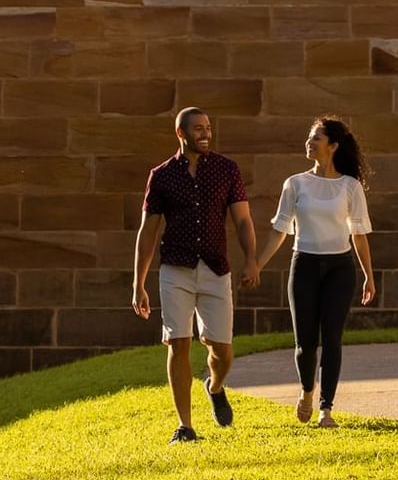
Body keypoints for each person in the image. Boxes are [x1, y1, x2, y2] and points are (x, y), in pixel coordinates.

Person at [133, 107, 259, 443]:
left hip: (216, 268)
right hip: (176, 268)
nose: (205, 134)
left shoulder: (226, 170)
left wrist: (252, 260)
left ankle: (215, 386)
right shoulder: (160, 176)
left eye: (208, 128)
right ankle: (185, 426)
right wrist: (139, 283)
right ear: (181, 133)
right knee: (178, 342)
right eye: (198, 129)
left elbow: (243, 221)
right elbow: (148, 232)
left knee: (222, 349)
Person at [245, 116, 376, 428]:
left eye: (316, 137)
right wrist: (257, 263)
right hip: (303, 264)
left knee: (332, 338)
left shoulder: (350, 186)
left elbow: (358, 234)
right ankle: (306, 390)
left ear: (332, 145)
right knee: (305, 343)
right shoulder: (295, 183)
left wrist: (369, 275)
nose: (309, 142)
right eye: (309, 137)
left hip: (339, 269)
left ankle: (326, 408)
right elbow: (279, 230)